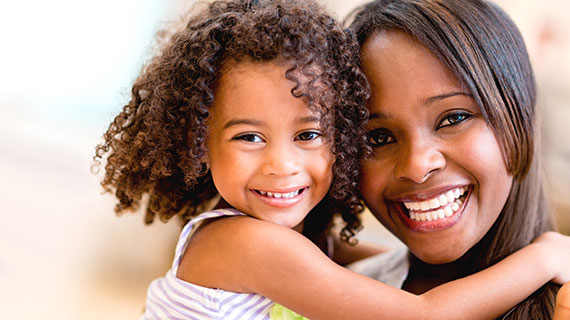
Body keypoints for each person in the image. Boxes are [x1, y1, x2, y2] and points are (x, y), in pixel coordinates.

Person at [94, 0, 570, 319]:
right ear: (198, 142)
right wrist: (547, 254)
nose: (282, 164)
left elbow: (358, 264)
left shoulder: (294, 246)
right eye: (249, 137)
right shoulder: (243, 243)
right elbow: (425, 316)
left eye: (308, 133)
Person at [348, 0, 569, 318]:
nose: (417, 166)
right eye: (378, 137)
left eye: (453, 118)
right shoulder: (332, 297)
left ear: (520, 115)